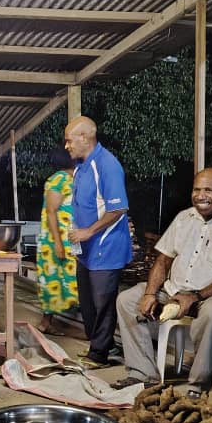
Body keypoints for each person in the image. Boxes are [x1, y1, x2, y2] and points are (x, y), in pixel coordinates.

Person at [113, 167, 212, 396]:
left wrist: (195, 297)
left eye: (208, 190)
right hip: (175, 289)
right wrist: (150, 293)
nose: (200, 195)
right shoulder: (183, 218)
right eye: (196, 189)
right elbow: (163, 261)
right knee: (127, 300)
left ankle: (196, 387)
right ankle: (143, 374)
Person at [66, 116, 133, 370]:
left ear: (85, 137)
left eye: (69, 140)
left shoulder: (107, 165)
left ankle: (99, 354)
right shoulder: (82, 166)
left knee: (102, 302)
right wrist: (77, 236)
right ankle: (103, 343)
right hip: (86, 249)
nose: (67, 146)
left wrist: (88, 231)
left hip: (105, 246)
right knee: (87, 301)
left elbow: (118, 208)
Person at [36, 147, 78, 336]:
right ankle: (92, 332)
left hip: (68, 238)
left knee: (62, 281)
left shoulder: (71, 178)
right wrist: (58, 243)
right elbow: (51, 211)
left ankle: (46, 323)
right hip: (57, 240)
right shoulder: (59, 179)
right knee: (59, 280)